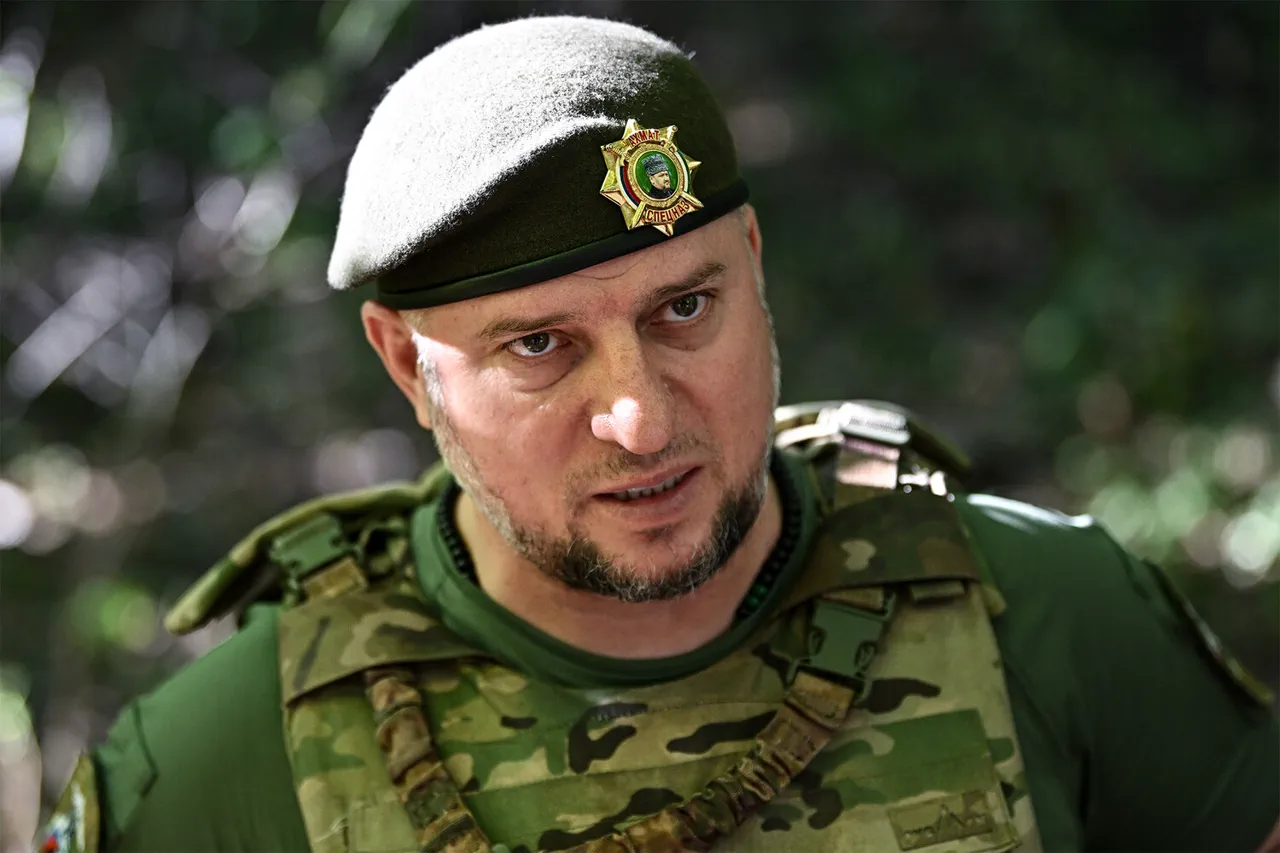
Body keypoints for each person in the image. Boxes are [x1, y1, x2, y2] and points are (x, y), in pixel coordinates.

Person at [39, 15, 1278, 853]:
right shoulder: (223, 762)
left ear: (753, 265)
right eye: (539, 345)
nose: (639, 419)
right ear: (406, 363)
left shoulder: (1047, 614)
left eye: (682, 309)